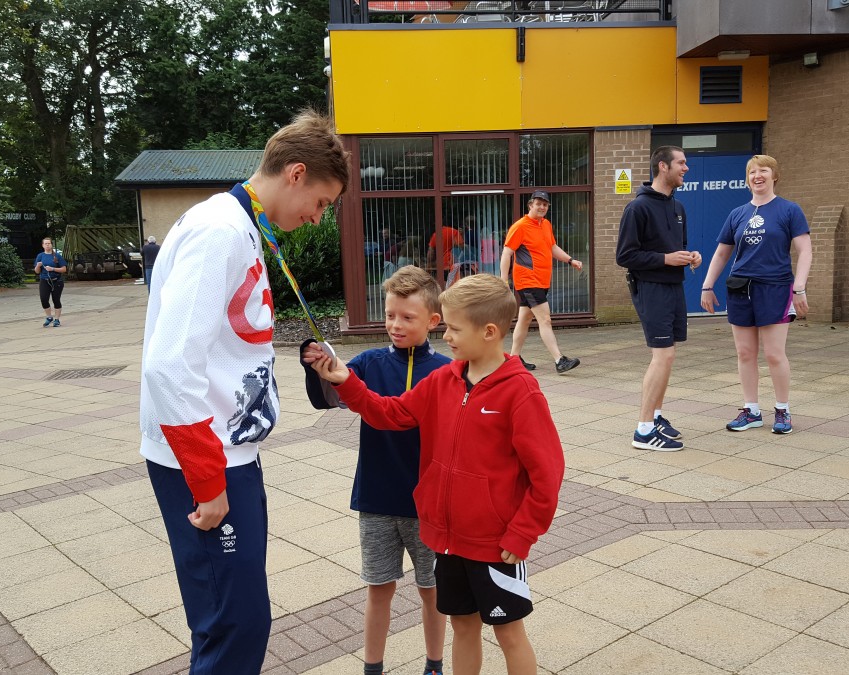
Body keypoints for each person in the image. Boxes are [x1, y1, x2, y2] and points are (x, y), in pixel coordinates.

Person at [139, 109, 350, 675]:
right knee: (236, 624)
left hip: (232, 454)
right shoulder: (220, 232)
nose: (316, 219)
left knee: (233, 620)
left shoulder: (241, 227)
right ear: (297, 174)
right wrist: (207, 478)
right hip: (207, 460)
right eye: (323, 203)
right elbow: (169, 364)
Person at [305, 273, 565, 675]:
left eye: (454, 328)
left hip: (496, 544)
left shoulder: (521, 392)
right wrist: (348, 383)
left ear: (490, 332)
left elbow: (547, 473)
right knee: (462, 627)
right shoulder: (444, 379)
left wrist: (524, 531)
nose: (446, 336)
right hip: (448, 540)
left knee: (509, 633)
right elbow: (392, 414)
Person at [305, 265, 450, 675]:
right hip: (376, 498)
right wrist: (316, 367)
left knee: (433, 591)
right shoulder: (368, 362)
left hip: (428, 506)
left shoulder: (444, 372)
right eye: (390, 315)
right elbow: (329, 398)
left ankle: (434, 665)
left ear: (433, 321)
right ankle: (372, 668)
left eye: (407, 317)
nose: (396, 325)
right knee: (379, 588)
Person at [700, 154, 812, 435]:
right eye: (752, 172)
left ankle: (783, 410)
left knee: (774, 354)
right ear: (747, 179)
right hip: (740, 288)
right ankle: (751, 410)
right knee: (745, 352)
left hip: (775, 287)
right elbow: (723, 252)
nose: (757, 176)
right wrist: (707, 285)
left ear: (774, 176)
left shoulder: (789, 210)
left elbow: (805, 251)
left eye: (763, 171)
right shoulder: (737, 214)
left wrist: (799, 288)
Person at [616, 146, 703, 452]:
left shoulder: (678, 208)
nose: (686, 168)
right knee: (662, 356)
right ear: (663, 167)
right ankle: (643, 431)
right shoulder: (637, 208)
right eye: (682, 163)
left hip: (674, 286)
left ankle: (655, 416)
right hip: (651, 288)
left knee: (669, 356)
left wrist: (691, 256)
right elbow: (624, 256)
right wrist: (666, 259)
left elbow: (675, 247)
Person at [499, 190, 583, 374]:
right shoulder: (520, 226)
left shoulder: (546, 225)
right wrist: (504, 281)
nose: (542, 207)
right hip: (528, 280)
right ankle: (559, 360)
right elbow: (507, 253)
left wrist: (570, 260)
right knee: (545, 319)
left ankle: (514, 359)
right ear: (530, 205)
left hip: (542, 281)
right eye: (538, 203)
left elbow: (552, 247)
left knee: (525, 319)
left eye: (545, 204)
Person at [34, 238, 67, 327]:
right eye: (46, 243)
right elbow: (37, 271)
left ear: (51, 245)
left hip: (56, 281)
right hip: (44, 280)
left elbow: (64, 269)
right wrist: (38, 265)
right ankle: (49, 317)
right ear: (43, 245)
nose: (47, 245)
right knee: (44, 299)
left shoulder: (56, 256)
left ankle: (57, 319)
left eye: (49, 243)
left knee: (56, 300)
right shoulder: (40, 256)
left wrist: (53, 269)